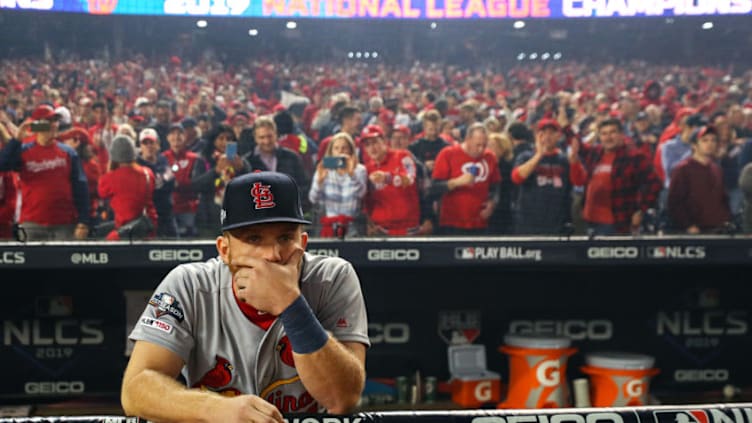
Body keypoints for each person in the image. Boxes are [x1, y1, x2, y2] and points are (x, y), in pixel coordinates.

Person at [121, 171, 368, 422]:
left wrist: (291, 304)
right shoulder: (188, 284)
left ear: (302, 243)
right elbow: (135, 390)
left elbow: (341, 398)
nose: (273, 254)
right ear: (225, 250)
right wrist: (213, 409)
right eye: (254, 238)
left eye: (285, 237)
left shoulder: (332, 278)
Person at [0, 104, 90, 241]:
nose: (54, 125)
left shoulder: (68, 153)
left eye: (55, 121)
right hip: (31, 224)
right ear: (36, 126)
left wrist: (83, 221)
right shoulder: (23, 152)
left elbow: (81, 188)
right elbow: (3, 165)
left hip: (64, 224)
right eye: (48, 122)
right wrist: (17, 139)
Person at [571, 118, 662, 236]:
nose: (608, 137)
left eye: (612, 132)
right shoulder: (596, 153)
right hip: (590, 219)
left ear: (621, 135)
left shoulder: (634, 157)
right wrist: (567, 128)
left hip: (617, 222)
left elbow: (654, 184)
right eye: (604, 134)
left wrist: (640, 210)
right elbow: (577, 146)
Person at [511, 119, 585, 235]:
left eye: (551, 132)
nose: (547, 136)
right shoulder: (526, 156)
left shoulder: (565, 159)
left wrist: (575, 163)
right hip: (529, 221)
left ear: (558, 136)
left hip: (557, 221)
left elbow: (579, 182)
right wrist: (539, 154)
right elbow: (517, 178)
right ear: (537, 136)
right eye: (543, 133)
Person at [431, 122, 501, 235]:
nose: (481, 149)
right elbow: (433, 188)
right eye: (477, 145)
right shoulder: (448, 154)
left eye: (484, 145)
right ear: (468, 139)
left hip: (480, 222)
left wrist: (492, 202)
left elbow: (495, 186)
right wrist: (456, 182)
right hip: (452, 221)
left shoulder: (490, 157)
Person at [667, 125, 732, 234]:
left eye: (713, 140)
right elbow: (674, 202)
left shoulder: (717, 169)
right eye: (704, 140)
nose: (710, 144)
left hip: (719, 230)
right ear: (694, 145)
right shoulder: (683, 169)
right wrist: (688, 225)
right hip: (695, 232)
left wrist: (726, 220)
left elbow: (723, 199)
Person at [361, 124, 422, 236]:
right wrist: (369, 222)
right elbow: (367, 200)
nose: (372, 148)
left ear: (384, 141)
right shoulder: (367, 168)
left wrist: (387, 177)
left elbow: (409, 179)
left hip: (407, 228)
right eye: (367, 145)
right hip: (380, 229)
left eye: (375, 142)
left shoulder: (403, 156)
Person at [98, 135, 158, 241]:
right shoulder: (147, 173)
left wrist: (110, 168)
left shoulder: (109, 178)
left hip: (124, 232)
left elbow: (102, 193)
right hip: (145, 227)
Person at [308, 132, 367, 238]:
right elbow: (313, 199)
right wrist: (319, 182)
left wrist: (351, 174)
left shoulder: (359, 170)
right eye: (336, 148)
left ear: (351, 150)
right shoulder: (324, 170)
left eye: (344, 148)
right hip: (329, 226)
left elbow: (362, 194)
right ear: (331, 152)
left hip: (353, 227)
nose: (340, 151)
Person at [137, 128, 178, 239]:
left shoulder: (163, 160)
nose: (149, 146)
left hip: (166, 212)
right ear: (140, 146)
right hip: (146, 215)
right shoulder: (136, 165)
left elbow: (171, 183)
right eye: (145, 143)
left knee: (175, 245)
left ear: (158, 144)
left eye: (151, 142)